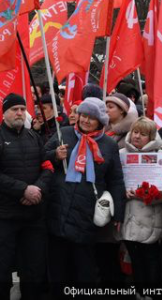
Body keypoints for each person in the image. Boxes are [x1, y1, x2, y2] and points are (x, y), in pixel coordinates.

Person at [46, 97, 126, 293]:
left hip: (87, 212)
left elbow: (115, 179)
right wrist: (55, 156)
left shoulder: (108, 144)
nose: (85, 121)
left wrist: (119, 213)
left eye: (91, 118)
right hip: (58, 207)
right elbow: (42, 158)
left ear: (100, 121)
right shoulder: (63, 133)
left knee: (84, 268)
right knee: (57, 268)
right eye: (83, 115)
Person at [0, 94, 53, 300]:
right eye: (14, 109)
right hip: (3, 217)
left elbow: (47, 167)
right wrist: (23, 190)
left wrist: (37, 189)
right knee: (1, 270)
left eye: (22, 109)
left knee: (33, 270)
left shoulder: (34, 137)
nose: (19, 113)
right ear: (4, 114)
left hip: (32, 217)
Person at [119, 117, 162, 290]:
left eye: (143, 134)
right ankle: (139, 292)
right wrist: (123, 192)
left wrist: (151, 195)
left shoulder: (161, 156)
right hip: (128, 216)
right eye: (135, 132)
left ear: (152, 137)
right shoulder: (121, 154)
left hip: (150, 217)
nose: (137, 136)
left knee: (151, 259)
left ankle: (152, 293)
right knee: (135, 259)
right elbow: (114, 182)